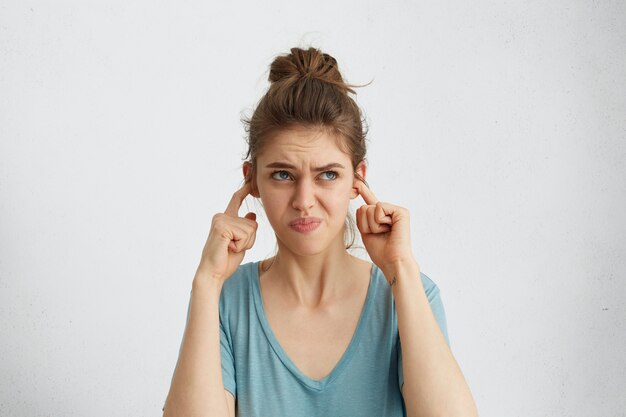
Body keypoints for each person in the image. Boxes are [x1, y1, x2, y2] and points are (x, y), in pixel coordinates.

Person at [162, 46, 478, 417]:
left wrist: (401, 270)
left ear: (357, 180)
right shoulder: (225, 301)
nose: (304, 200)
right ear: (253, 182)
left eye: (328, 174)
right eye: (283, 174)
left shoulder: (410, 293)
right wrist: (207, 281)